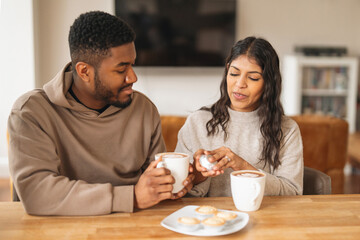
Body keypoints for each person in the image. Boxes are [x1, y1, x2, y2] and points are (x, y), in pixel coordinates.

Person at [7, 11, 194, 216]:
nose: (133, 77)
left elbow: (155, 182)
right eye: (121, 70)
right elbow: (37, 194)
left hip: (134, 226)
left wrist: (171, 185)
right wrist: (131, 197)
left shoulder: (143, 109)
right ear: (84, 71)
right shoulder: (31, 112)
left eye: (132, 65)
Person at [175, 36, 303, 197]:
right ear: (227, 70)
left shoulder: (287, 129)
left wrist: (242, 166)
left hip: (264, 218)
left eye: (253, 77)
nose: (240, 84)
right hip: (208, 219)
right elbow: (178, 191)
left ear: (268, 82)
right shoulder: (197, 122)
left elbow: (293, 192)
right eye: (234, 73)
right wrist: (200, 173)